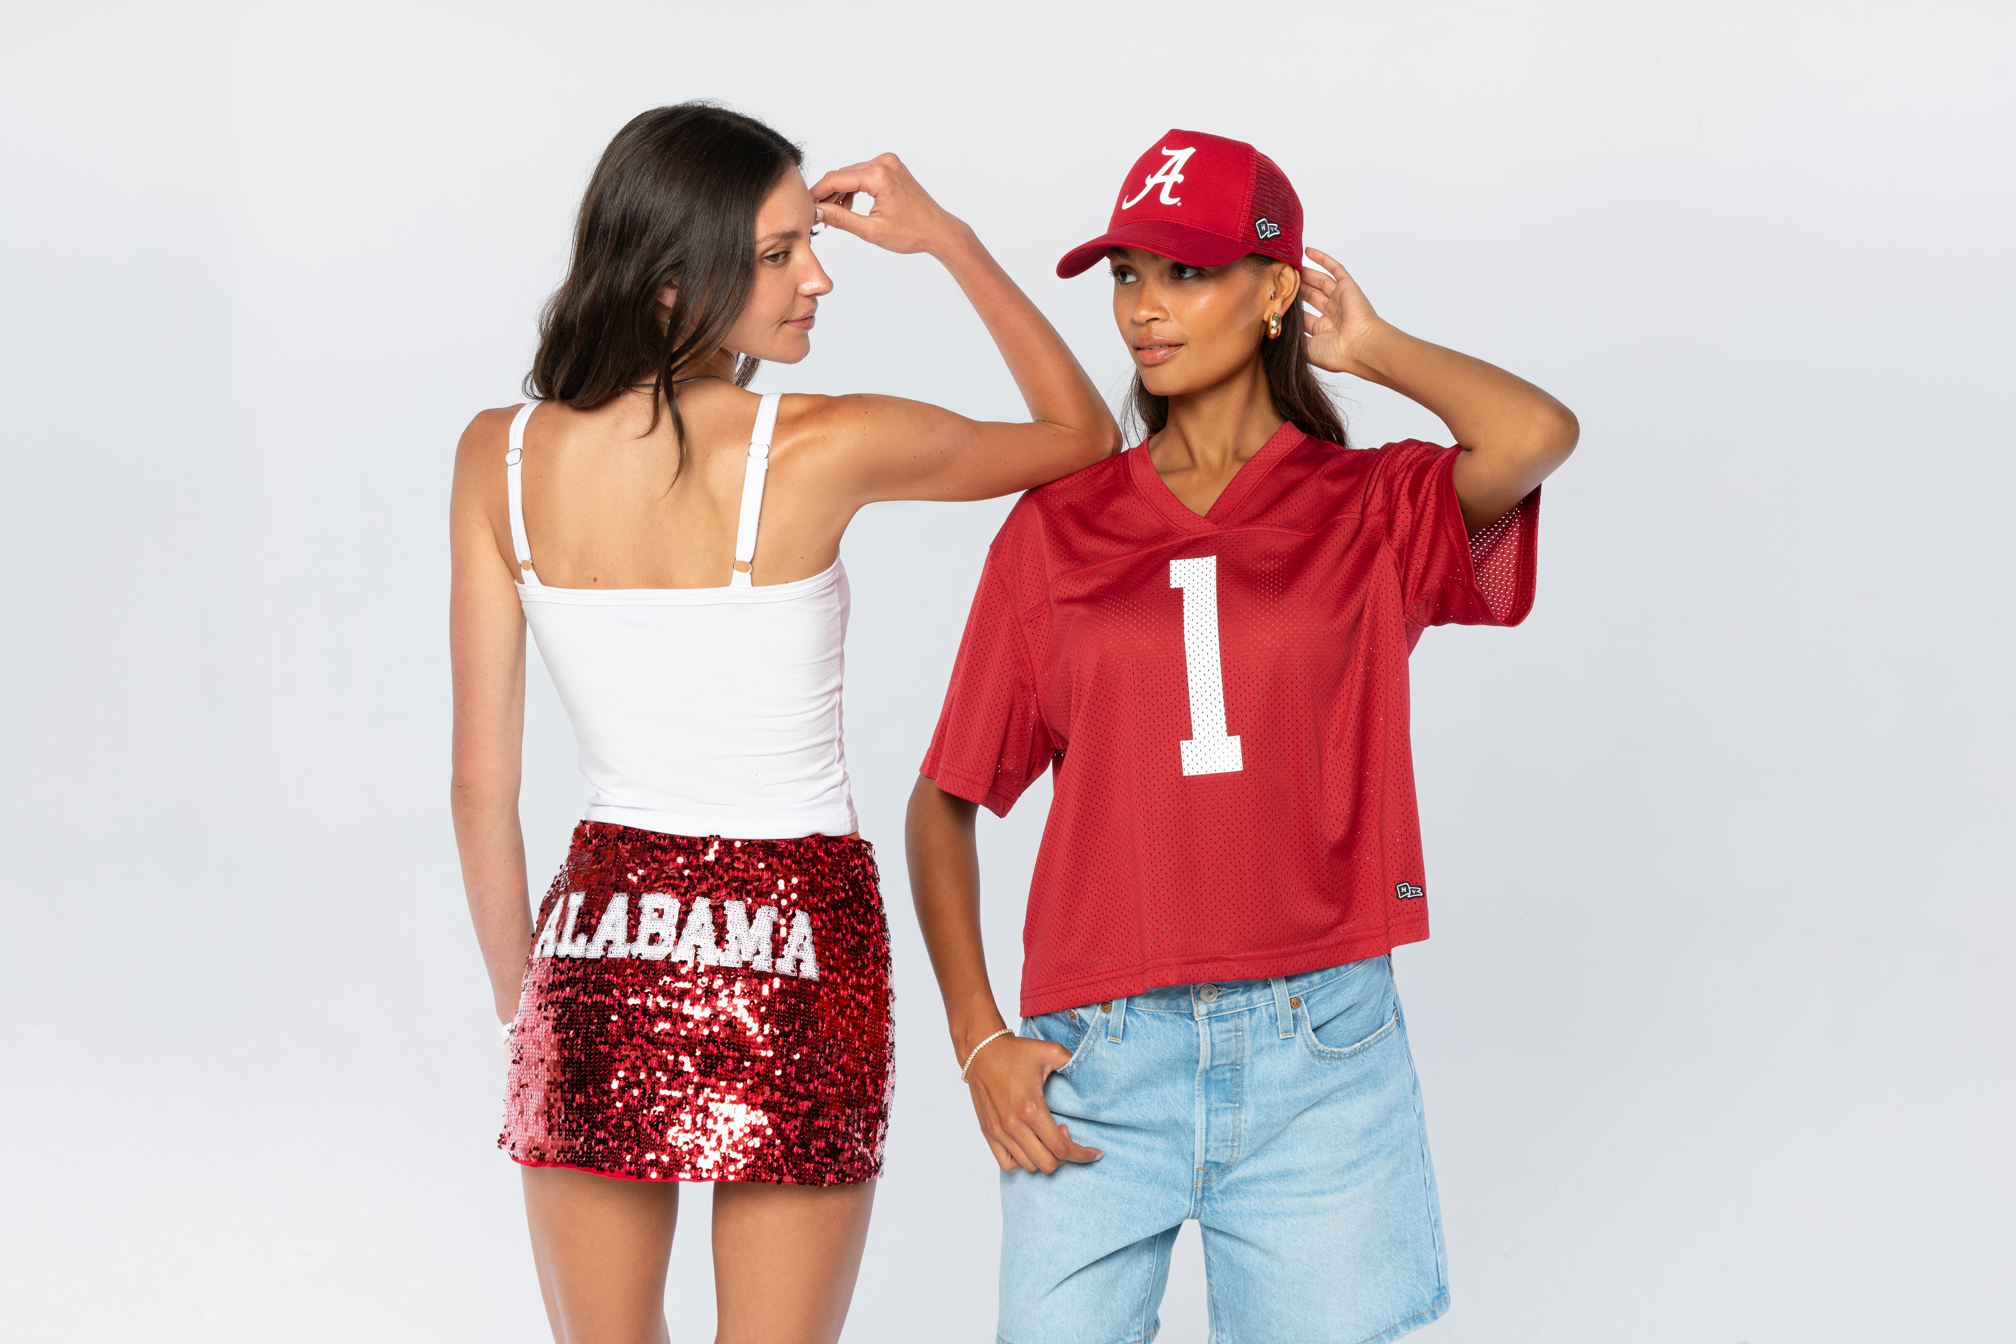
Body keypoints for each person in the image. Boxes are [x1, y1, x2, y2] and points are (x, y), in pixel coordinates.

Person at [449, 103, 1118, 1344]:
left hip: (600, 937)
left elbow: (480, 792)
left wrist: (522, 1012)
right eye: (776, 253)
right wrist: (954, 242)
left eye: (809, 240)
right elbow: (1085, 443)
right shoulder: (819, 442)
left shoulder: (499, 457)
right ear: (668, 282)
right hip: (798, 929)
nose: (818, 276)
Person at [906, 129, 1578, 1343]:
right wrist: (978, 1037)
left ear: (1275, 288)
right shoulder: (1057, 531)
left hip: (1319, 1049)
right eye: (1125, 276)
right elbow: (946, 795)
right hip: (1092, 1059)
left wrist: (1372, 347)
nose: (1144, 311)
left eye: (1185, 273)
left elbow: (1533, 435)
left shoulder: (1369, 505)